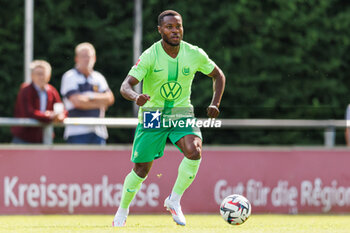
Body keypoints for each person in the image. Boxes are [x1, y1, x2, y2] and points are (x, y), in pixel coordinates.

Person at [113, 10, 226, 227]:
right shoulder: (150, 55)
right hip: (153, 114)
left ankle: (174, 200)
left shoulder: (194, 53)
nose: (175, 31)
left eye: (178, 26)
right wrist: (137, 96)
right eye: (170, 27)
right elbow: (125, 86)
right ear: (160, 30)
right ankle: (123, 209)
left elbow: (218, 75)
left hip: (181, 112)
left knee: (195, 151)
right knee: (141, 170)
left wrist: (215, 102)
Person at [60, 42, 115, 144]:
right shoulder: (69, 76)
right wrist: (100, 102)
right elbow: (78, 102)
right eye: (83, 56)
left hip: (99, 132)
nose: (87, 59)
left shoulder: (99, 77)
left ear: (94, 58)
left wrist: (88, 97)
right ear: (76, 59)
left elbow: (110, 99)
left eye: (89, 56)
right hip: (76, 132)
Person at [11, 60, 66, 143]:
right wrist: (49, 116)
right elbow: (29, 113)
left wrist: (60, 116)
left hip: (44, 137)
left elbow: (61, 108)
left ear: (49, 76)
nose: (41, 77)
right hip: (24, 138)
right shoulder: (25, 90)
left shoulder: (51, 91)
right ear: (32, 76)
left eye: (43, 74)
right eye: (38, 74)